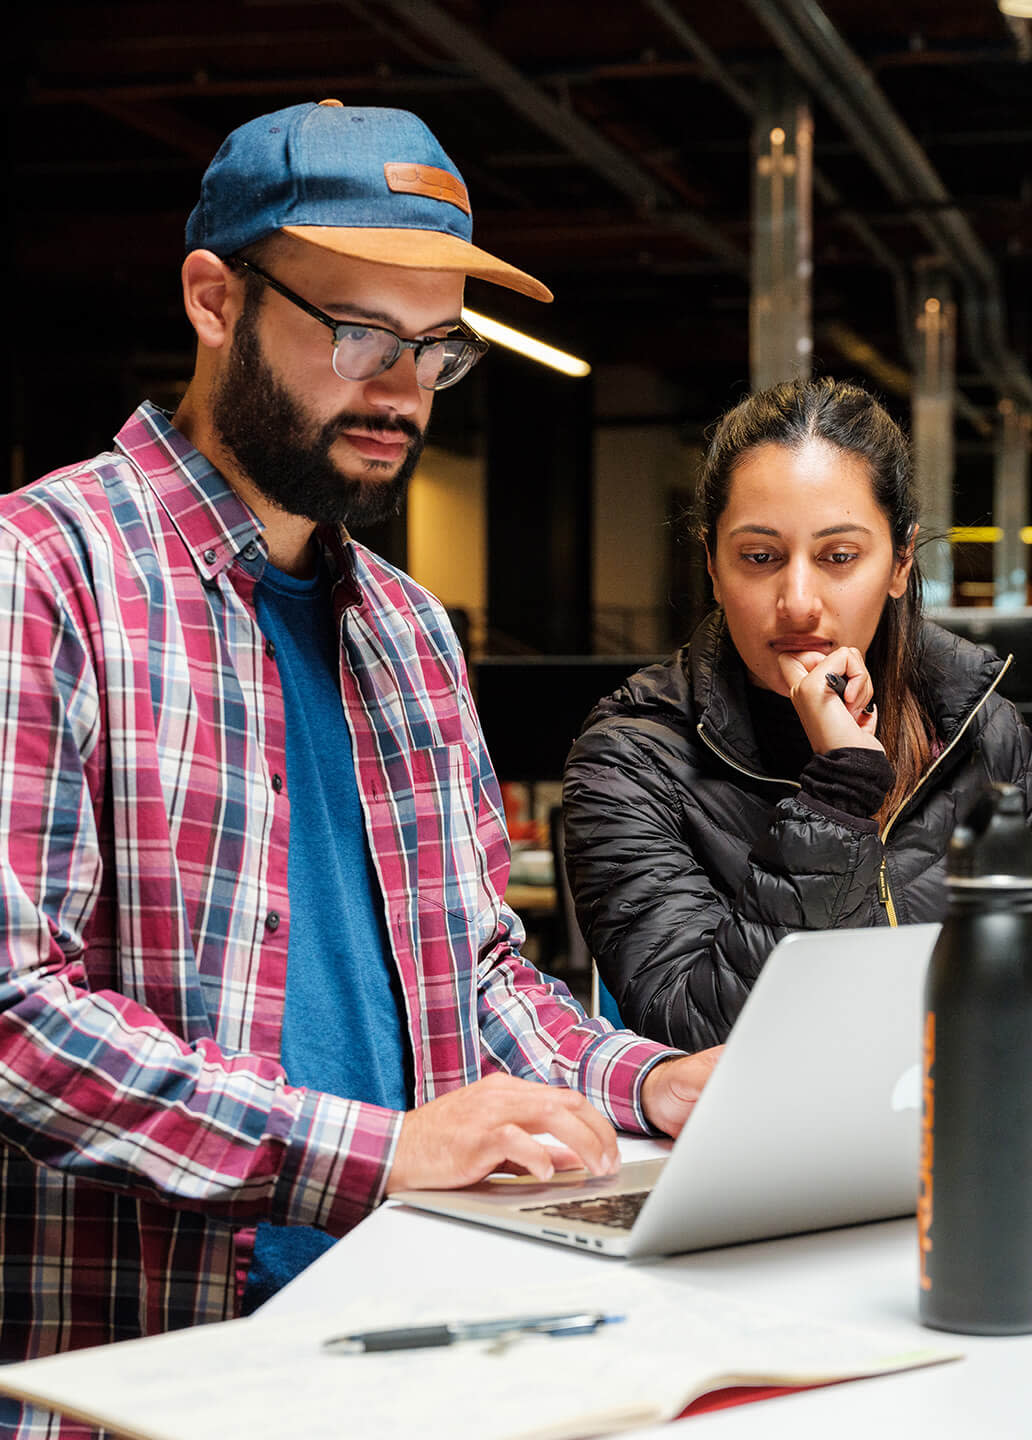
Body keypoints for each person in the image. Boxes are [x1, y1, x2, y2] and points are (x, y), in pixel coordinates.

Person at [0, 99, 718, 1426]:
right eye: (361, 335)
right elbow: (14, 1015)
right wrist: (379, 1152)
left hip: (419, 1339)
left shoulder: (407, 631)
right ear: (215, 300)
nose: (401, 391)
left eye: (437, 351)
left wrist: (646, 1080)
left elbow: (481, 973)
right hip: (150, 1378)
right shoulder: (45, 577)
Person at [562, 378, 1032, 1051]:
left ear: (901, 560)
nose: (797, 601)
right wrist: (839, 794)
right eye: (759, 558)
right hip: (760, 1147)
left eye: (839, 557)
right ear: (711, 563)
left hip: (966, 1114)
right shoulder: (633, 755)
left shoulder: (980, 730)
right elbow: (700, 1036)